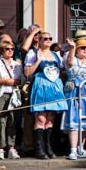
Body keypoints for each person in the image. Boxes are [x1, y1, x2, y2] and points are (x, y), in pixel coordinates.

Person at [25, 31, 67, 159]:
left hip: (54, 87)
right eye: (45, 38)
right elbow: (27, 72)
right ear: (39, 40)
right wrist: (38, 60)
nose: (48, 40)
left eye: (50, 38)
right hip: (41, 85)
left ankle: (48, 147)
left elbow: (62, 70)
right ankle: (39, 149)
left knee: (50, 119)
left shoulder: (55, 55)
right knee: (41, 118)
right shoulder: (33, 53)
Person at [62, 38, 86, 160]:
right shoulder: (71, 58)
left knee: (85, 122)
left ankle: (81, 147)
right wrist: (72, 48)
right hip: (76, 92)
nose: (85, 50)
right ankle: (73, 149)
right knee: (75, 120)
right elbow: (69, 64)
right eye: (82, 48)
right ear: (77, 49)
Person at [0, 39, 23, 160]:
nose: (10, 51)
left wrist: (18, 82)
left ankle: (11, 147)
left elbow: (21, 79)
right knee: (0, 121)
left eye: (12, 49)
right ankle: (0, 148)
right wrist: (7, 81)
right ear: (1, 51)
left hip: (14, 95)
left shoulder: (17, 64)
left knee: (12, 121)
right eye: (7, 49)